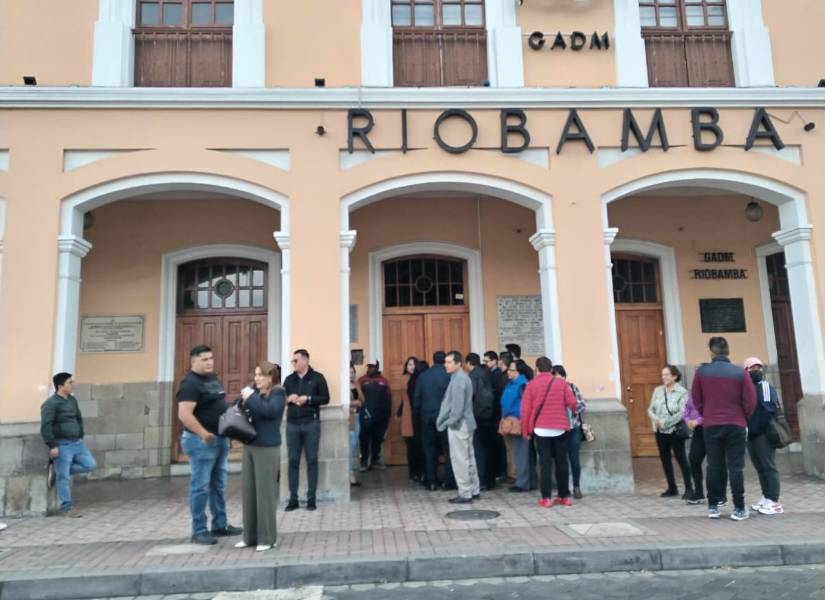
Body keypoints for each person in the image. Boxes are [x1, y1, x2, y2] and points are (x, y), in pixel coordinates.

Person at [177, 345, 242, 544]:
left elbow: (219, 406)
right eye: (204, 359)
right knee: (200, 486)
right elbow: (184, 414)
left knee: (218, 484)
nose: (209, 362)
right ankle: (198, 531)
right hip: (201, 441)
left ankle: (220, 525)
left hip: (219, 439)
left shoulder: (213, 379)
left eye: (211, 358)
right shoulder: (190, 383)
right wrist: (203, 433)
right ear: (193, 362)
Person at [693, 337, 757, 521]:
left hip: (712, 424)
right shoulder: (739, 373)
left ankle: (713, 506)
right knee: (736, 467)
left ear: (711, 352)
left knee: (714, 465)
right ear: (728, 351)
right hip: (736, 424)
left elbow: (696, 398)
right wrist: (743, 417)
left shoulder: (702, 372)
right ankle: (738, 508)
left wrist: (707, 413)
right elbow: (750, 400)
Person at [235, 361, 286, 552]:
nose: (256, 378)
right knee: (249, 492)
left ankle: (267, 538)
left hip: (267, 447)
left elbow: (269, 411)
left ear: (270, 377)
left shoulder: (278, 393)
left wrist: (251, 398)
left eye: (261, 375)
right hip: (250, 445)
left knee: (265, 493)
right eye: (255, 375)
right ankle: (249, 537)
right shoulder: (254, 393)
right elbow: (240, 408)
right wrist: (243, 399)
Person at [521, 357, 578, 507]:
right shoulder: (561, 383)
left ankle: (546, 498)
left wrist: (525, 430)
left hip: (540, 429)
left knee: (545, 464)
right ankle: (564, 496)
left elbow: (525, 410)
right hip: (560, 428)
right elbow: (573, 403)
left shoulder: (531, 385)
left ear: (537, 369)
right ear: (551, 369)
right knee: (562, 463)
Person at [40, 372, 97, 518]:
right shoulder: (50, 404)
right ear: (60, 386)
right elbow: (46, 425)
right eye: (70, 382)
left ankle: (56, 470)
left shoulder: (72, 400)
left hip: (77, 442)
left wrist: (80, 433)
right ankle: (67, 508)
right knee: (63, 478)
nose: (73, 385)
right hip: (62, 444)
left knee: (90, 465)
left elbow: (78, 418)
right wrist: (52, 445)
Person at [283, 349, 330, 511]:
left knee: (312, 460)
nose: (293, 363)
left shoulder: (318, 378)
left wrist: (308, 399)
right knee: (293, 461)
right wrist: (288, 399)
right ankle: (293, 499)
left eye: (296, 360)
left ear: (305, 361)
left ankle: (311, 499)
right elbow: (282, 399)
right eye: (293, 361)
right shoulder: (289, 380)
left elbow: (326, 398)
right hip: (292, 425)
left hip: (311, 424)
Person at [436, 351, 480, 504]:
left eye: (449, 362)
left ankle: (465, 493)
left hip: (459, 425)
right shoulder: (460, 377)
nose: (446, 365)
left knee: (459, 459)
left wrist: (450, 422)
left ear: (458, 363)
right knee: (469, 457)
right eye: (445, 362)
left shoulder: (459, 379)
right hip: (466, 423)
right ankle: (474, 489)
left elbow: (457, 407)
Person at [743, 357, 784, 515]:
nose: (756, 370)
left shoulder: (764, 386)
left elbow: (767, 410)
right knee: (760, 467)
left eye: (758, 367)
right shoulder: (747, 388)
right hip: (751, 433)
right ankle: (766, 496)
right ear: (746, 371)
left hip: (763, 434)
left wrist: (755, 429)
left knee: (768, 466)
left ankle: (774, 501)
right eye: (752, 368)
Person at [648, 365, 693, 499]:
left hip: (675, 431)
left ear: (674, 376)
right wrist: (656, 420)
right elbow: (651, 409)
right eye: (662, 375)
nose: (664, 377)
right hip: (659, 431)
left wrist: (664, 422)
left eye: (666, 374)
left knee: (681, 459)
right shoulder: (658, 391)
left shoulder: (682, 392)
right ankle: (671, 487)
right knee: (665, 459)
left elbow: (682, 412)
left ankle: (689, 488)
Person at [413, 351, 452, 490]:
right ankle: (448, 481)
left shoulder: (423, 376)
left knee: (429, 449)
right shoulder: (449, 374)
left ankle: (431, 481)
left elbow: (416, 398)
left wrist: (418, 415)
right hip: (445, 418)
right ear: (444, 361)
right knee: (448, 450)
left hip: (427, 417)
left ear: (433, 360)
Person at [684, 395, 729, 506]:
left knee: (717, 462)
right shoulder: (695, 392)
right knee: (694, 459)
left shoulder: (713, 389)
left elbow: (714, 410)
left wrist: (698, 420)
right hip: (699, 431)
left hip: (714, 428)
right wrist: (687, 420)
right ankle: (698, 493)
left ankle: (721, 496)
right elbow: (687, 408)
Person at [551, 365, 586, 499]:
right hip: (558, 429)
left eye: (560, 377)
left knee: (574, 458)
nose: (559, 381)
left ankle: (576, 486)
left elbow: (582, 404)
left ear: (564, 377)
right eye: (555, 378)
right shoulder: (551, 390)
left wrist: (572, 409)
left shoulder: (572, 387)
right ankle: (563, 489)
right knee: (560, 460)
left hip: (573, 428)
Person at [500, 360, 534, 492]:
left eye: (512, 370)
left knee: (521, 454)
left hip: (520, 422)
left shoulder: (522, 385)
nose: (508, 372)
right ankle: (527, 481)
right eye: (509, 369)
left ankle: (522, 483)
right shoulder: (511, 383)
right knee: (519, 453)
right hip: (511, 421)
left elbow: (526, 406)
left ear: (519, 372)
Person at [467, 353, 497, 491]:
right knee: (488, 449)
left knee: (479, 450)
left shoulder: (473, 376)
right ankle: (489, 480)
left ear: (468, 363)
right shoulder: (486, 373)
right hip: (489, 416)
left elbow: (470, 397)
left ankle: (482, 480)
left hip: (478, 417)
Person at [358, 360, 392, 472]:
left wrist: (388, 415)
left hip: (380, 416)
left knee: (377, 438)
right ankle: (363, 462)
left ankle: (375, 460)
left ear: (377, 367)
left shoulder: (384, 381)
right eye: (369, 366)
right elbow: (357, 396)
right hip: (366, 415)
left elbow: (388, 399)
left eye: (372, 367)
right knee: (364, 439)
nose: (370, 369)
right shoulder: (362, 380)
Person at [399, 357, 426, 482]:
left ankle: (419, 470)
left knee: (418, 442)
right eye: (409, 364)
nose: (412, 366)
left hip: (416, 411)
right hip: (408, 411)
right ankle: (413, 471)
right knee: (411, 443)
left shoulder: (420, 378)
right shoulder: (405, 378)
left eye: (414, 364)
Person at [349, 363, 363, 487]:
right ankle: (350, 474)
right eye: (348, 372)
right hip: (350, 419)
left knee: (353, 445)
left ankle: (350, 473)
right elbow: (345, 402)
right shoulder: (343, 386)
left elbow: (363, 399)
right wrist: (355, 403)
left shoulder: (357, 384)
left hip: (358, 417)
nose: (351, 375)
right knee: (350, 445)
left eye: (352, 373)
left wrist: (357, 387)